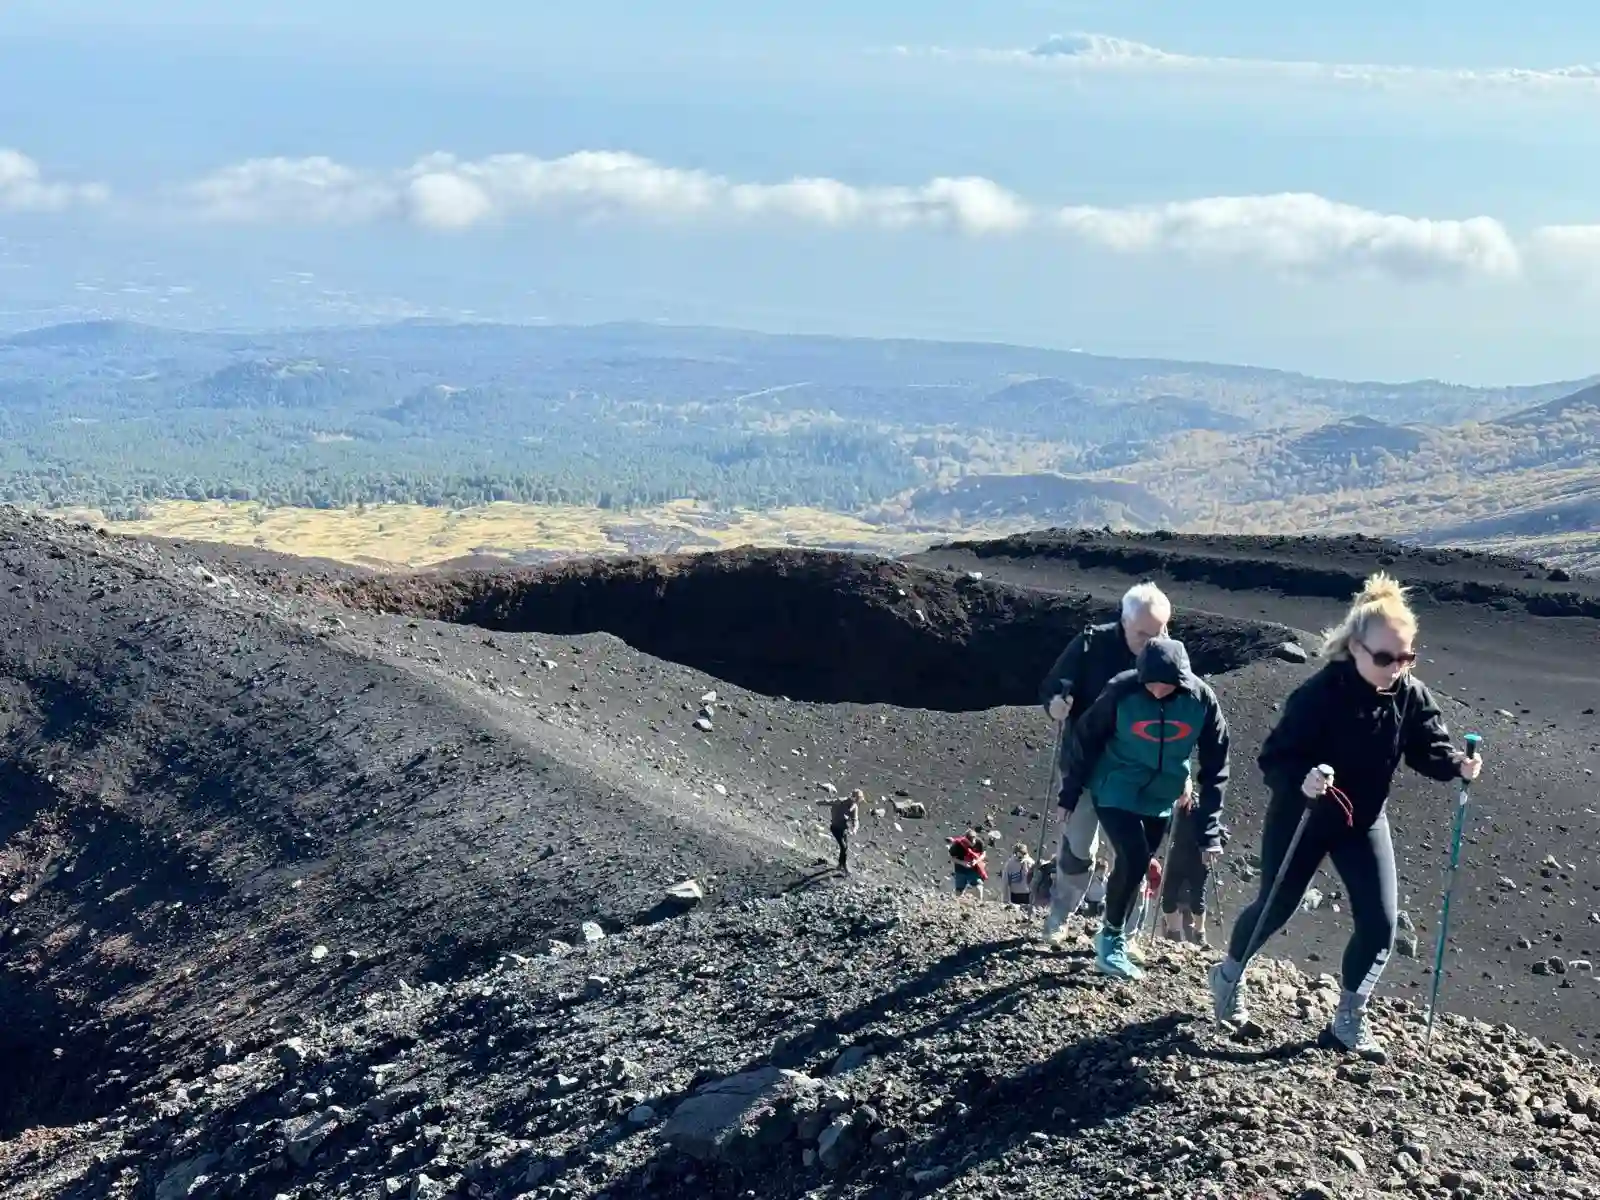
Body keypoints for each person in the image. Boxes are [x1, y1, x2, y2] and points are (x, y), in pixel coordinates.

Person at [1207, 573, 1484, 1056]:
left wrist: (1457, 764)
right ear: (1356, 648)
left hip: (1363, 819)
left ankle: (1348, 1019)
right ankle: (1228, 976)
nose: (1396, 668)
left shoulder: (1409, 694)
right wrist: (1304, 779)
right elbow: (1276, 756)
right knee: (1276, 905)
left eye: (1406, 658)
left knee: (1381, 923)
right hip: (1305, 817)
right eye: (1384, 658)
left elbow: (1427, 746)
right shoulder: (1319, 694)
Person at [1057, 636, 1229, 980]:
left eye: (1165, 686)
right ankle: (1110, 943)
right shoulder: (1122, 690)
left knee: (1137, 866)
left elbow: (1216, 764)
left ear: (1181, 680)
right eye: (1150, 684)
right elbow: (1086, 738)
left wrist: (1209, 828)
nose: (1157, 692)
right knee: (1133, 858)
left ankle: (1115, 934)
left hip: (1162, 795)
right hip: (1115, 785)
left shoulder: (1201, 701)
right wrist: (1070, 792)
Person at [1038, 582, 1173, 944]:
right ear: (1123, 622)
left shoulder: (1168, 654)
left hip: (1137, 773)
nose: (1153, 640)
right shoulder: (1089, 644)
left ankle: (1124, 935)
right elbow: (1052, 684)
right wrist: (1055, 704)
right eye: (1144, 633)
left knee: (1133, 853)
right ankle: (1060, 915)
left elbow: (1184, 712)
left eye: (1160, 631)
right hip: (1086, 765)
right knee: (1079, 847)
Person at [1159, 775, 1215, 944]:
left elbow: (1216, 829)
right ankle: (1173, 934)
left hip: (1197, 858)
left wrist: (1210, 847)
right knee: (1168, 897)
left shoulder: (1201, 809)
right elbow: (1164, 829)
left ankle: (1200, 934)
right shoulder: (1172, 810)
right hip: (1177, 856)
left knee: (1197, 900)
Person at [817, 788, 862, 873]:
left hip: (844, 829)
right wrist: (820, 802)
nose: (857, 801)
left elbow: (855, 820)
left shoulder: (855, 807)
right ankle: (843, 866)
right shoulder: (841, 801)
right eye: (856, 798)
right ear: (853, 797)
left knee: (845, 848)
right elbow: (830, 802)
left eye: (858, 799)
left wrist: (855, 829)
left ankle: (840, 865)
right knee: (843, 847)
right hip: (835, 828)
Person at [948, 829, 989, 899]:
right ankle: (958, 905)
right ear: (966, 839)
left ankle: (980, 903)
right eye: (970, 841)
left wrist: (976, 861)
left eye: (974, 840)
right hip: (960, 870)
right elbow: (952, 858)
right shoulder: (958, 845)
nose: (973, 843)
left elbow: (983, 854)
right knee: (959, 890)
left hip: (973, 869)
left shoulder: (979, 842)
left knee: (978, 886)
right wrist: (963, 863)